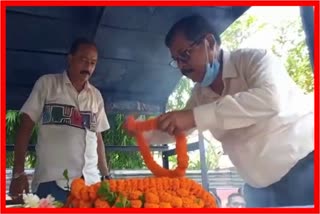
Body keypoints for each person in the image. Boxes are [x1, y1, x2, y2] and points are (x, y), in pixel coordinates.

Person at [124, 15, 314, 207]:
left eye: (185, 55)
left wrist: (195, 117)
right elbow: (178, 128)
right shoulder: (200, 95)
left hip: (305, 171)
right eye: (176, 61)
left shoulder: (254, 60)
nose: (182, 67)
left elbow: (270, 100)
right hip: (258, 191)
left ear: (209, 42)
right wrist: (143, 131)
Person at [9, 38, 111, 203]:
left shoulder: (96, 96)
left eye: (93, 62)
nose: (88, 67)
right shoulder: (47, 84)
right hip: (52, 183)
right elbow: (25, 127)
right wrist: (18, 173)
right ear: (70, 59)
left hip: (91, 184)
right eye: (83, 60)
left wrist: (106, 174)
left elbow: (98, 139)